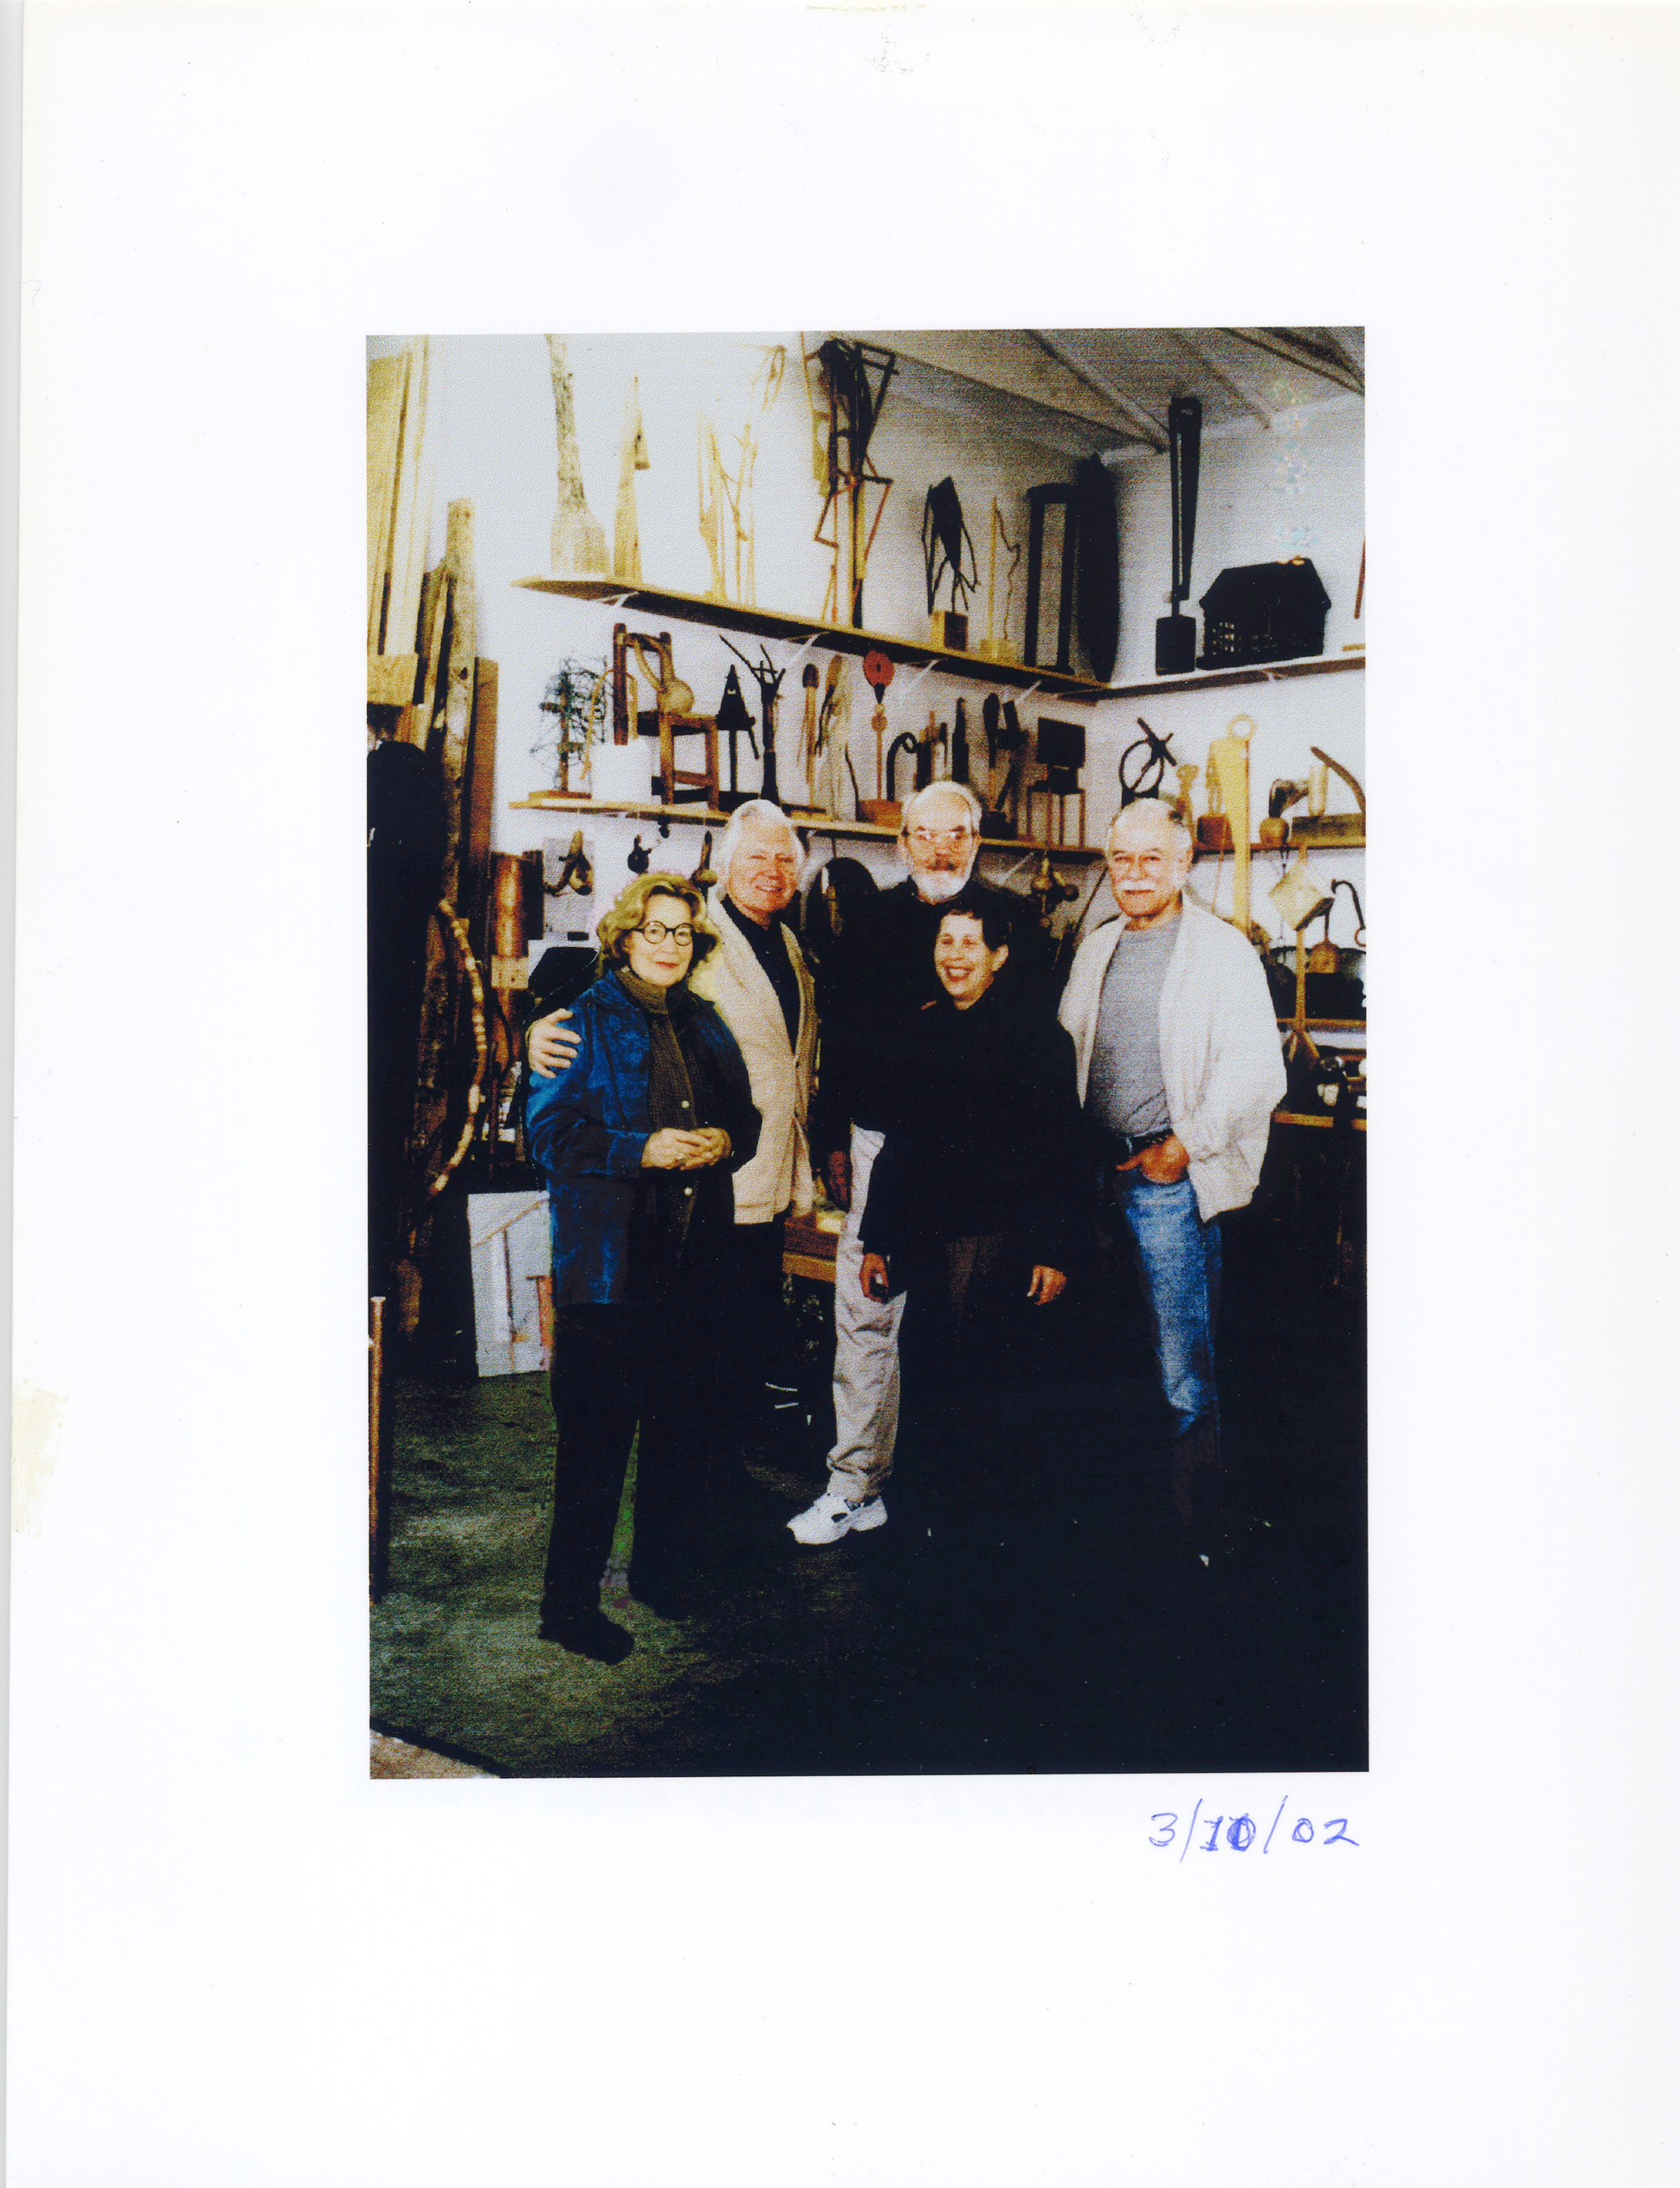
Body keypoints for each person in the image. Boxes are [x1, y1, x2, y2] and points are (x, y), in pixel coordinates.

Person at [792, 779, 1049, 1547]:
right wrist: (833, 1139)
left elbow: (1035, 1057)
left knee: (961, 1329)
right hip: (881, 1148)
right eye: (925, 835)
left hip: (980, 1161)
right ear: (902, 843)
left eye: (958, 834)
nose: (941, 849)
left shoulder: (1019, 923)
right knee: (868, 1316)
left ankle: (950, 1497)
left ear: (979, 841)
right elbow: (838, 1037)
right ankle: (855, 1484)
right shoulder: (870, 921)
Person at [529, 801, 818, 1457]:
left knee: (731, 1346)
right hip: (672, 1209)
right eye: (756, 857)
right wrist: (535, 1037)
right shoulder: (673, 949)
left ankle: (724, 1485)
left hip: (755, 1173)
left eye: (784, 860)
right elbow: (578, 1006)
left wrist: (757, 1141)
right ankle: (710, 1487)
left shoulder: (789, 946)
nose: (770, 872)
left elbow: (777, 1069)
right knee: (687, 1363)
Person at [524, 872, 760, 1662]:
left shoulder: (708, 1021)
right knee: (593, 1448)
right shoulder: (580, 1020)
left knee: (676, 1434)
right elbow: (549, 1138)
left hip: (693, 1267)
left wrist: (728, 1141)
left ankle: (661, 1575)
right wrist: (640, 1149)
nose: (667, 945)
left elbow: (746, 1119)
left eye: (681, 933)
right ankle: (567, 1606)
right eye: (653, 930)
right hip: (608, 1274)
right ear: (625, 937)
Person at [1056, 797, 1286, 1553]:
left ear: (1184, 863)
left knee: (1181, 1368)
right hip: (1092, 1177)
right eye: (1120, 858)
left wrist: (1182, 1147)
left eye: (1152, 858)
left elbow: (1256, 1071)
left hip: (1165, 1184)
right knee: (1102, 1353)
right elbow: (1066, 1054)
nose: (1133, 873)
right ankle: (1116, 1524)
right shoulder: (1096, 947)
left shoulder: (1222, 953)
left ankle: (1196, 1530)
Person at [854, 900, 1084, 1539]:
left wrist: (1055, 1249)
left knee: (991, 1391)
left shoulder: (1039, 1039)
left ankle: (991, 1538)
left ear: (998, 957)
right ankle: (930, 1526)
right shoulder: (920, 1032)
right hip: (928, 1242)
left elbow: (1060, 1152)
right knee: (927, 1381)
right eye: (945, 941)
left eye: (969, 944)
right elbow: (899, 1146)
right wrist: (877, 1242)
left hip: (1001, 1246)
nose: (954, 956)